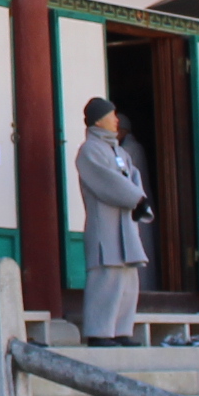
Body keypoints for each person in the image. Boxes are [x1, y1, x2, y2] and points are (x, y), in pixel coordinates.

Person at [75, 96, 153, 347]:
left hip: (126, 224)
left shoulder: (120, 151)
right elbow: (106, 181)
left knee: (127, 280)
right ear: (99, 120)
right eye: (112, 115)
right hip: (105, 226)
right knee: (106, 278)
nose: (116, 120)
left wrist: (140, 200)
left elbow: (133, 177)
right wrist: (136, 199)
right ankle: (99, 332)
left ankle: (121, 331)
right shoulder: (89, 150)